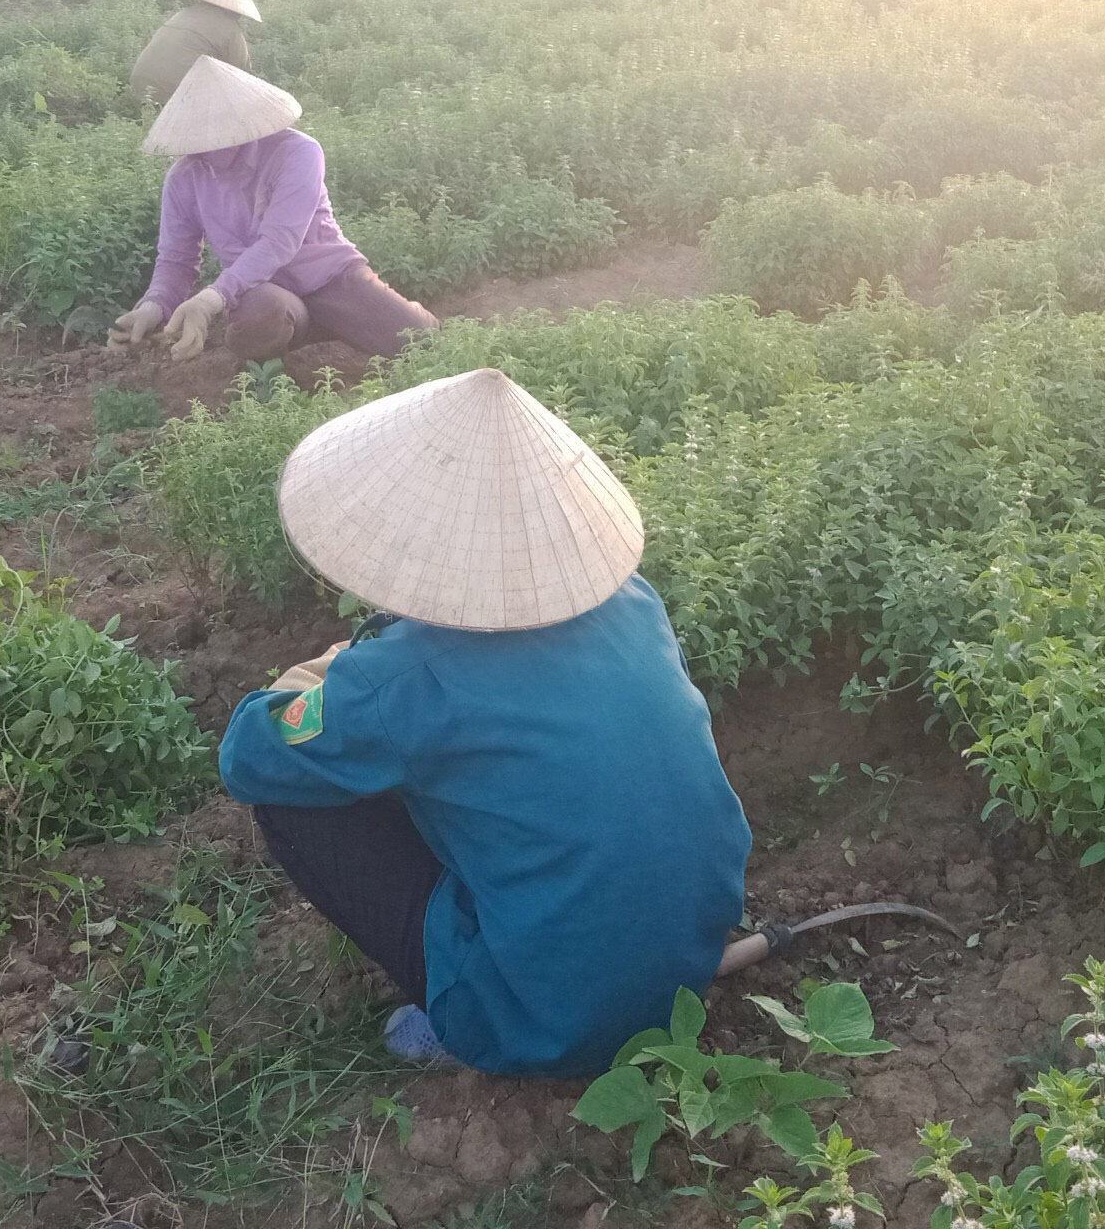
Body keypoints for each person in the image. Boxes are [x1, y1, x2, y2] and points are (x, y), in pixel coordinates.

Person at [217, 367, 751, 1076]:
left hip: (549, 1021)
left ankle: (465, 1015)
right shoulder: (632, 601)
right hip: (685, 963)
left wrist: (326, 669)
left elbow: (248, 754)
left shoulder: (409, 678)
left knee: (296, 800)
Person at [105, 55, 436, 365]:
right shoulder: (184, 179)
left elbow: (279, 241)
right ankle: (300, 338)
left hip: (331, 277)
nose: (203, 145)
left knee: (421, 344)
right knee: (258, 323)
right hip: (263, 291)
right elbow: (176, 260)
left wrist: (211, 299)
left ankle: (347, 321)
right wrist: (153, 307)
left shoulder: (297, 153)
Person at [129, 0, 261, 108]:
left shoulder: (182, 15)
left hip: (140, 85)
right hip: (176, 94)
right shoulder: (230, 29)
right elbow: (241, 74)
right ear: (236, 10)